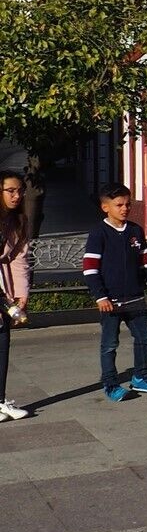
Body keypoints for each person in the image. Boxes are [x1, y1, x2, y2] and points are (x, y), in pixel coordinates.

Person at [84, 183, 147, 402]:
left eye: (127, 204)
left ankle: (141, 377)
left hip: (135, 298)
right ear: (105, 207)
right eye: (118, 205)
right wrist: (100, 296)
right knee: (110, 343)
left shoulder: (135, 231)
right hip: (110, 301)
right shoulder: (98, 233)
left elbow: (146, 264)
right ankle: (111, 384)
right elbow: (90, 269)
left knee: (144, 337)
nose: (124, 209)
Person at [0, 171, 31, 420]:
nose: (17, 195)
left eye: (20, 190)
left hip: (4, 288)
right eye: (10, 190)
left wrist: (21, 293)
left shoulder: (17, 221)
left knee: (2, 342)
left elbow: (19, 258)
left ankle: (0, 401)